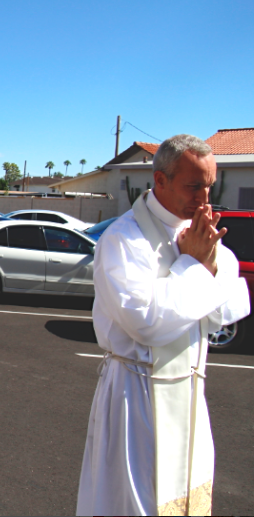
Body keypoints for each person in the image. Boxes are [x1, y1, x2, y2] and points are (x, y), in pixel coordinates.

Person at [76, 134, 251, 516]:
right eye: (193, 186)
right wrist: (194, 268)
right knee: (133, 501)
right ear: (160, 181)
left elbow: (229, 306)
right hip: (136, 393)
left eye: (209, 186)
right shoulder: (124, 239)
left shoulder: (202, 232)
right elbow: (147, 323)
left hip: (188, 388)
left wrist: (199, 274)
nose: (204, 198)